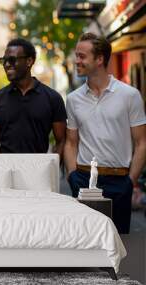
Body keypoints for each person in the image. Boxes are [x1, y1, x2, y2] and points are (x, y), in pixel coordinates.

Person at [64, 32, 146, 234]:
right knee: (84, 241)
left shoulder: (129, 95)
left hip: (119, 181)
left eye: (82, 56)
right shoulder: (73, 99)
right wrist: (72, 176)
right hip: (83, 180)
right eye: (77, 55)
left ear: (99, 59)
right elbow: (70, 143)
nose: (77, 61)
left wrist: (130, 182)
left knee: (118, 246)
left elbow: (142, 142)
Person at [0, 38, 66, 157]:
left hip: (39, 171)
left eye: (12, 60)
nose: (7, 65)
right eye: (4, 60)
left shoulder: (52, 98)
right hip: (5, 171)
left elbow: (62, 141)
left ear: (29, 61)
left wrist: (51, 169)